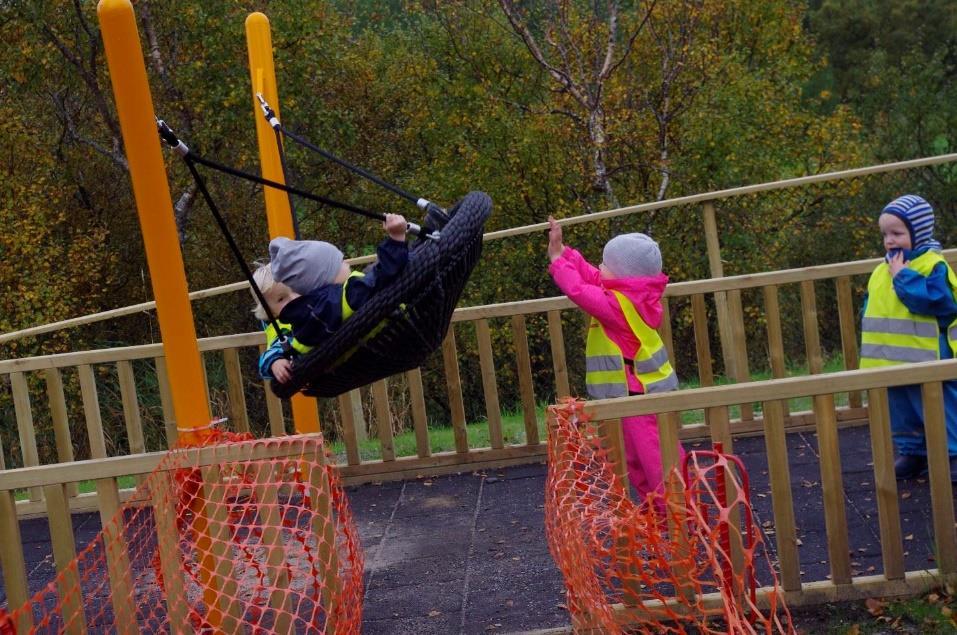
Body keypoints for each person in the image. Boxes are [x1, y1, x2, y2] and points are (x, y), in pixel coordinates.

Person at [547, 216, 685, 501]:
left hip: (639, 397)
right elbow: (591, 277)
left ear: (624, 276)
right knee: (639, 462)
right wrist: (566, 252)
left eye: (605, 265)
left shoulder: (618, 307)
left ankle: (679, 517)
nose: (600, 268)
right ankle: (659, 517)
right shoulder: (631, 295)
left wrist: (558, 261)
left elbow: (579, 290)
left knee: (657, 464)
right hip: (636, 396)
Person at [859, 194, 957, 481]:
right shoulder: (881, 270)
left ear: (919, 232)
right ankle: (913, 452)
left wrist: (903, 277)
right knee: (901, 410)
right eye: (885, 234)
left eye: (897, 233)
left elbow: (937, 301)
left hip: (929, 355)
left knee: (940, 405)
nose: (890, 240)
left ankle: (953, 453)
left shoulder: (931, 265)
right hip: (890, 360)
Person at [253, 213, 409, 382]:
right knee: (403, 268)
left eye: (294, 291)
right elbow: (386, 272)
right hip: (397, 330)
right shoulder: (343, 298)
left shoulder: (311, 318)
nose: (347, 264)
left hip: (365, 351)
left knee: (373, 272)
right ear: (325, 279)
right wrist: (396, 237)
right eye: (341, 262)